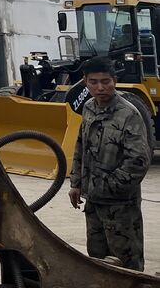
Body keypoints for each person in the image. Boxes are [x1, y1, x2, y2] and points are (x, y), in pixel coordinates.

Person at [69, 56, 151, 271]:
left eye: (106, 81)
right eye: (93, 82)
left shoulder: (128, 114)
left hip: (120, 205)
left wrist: (108, 188)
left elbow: (138, 161)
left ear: (114, 80)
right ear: (85, 81)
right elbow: (81, 146)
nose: (100, 87)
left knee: (126, 262)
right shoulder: (88, 107)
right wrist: (76, 183)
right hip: (93, 201)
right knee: (97, 259)